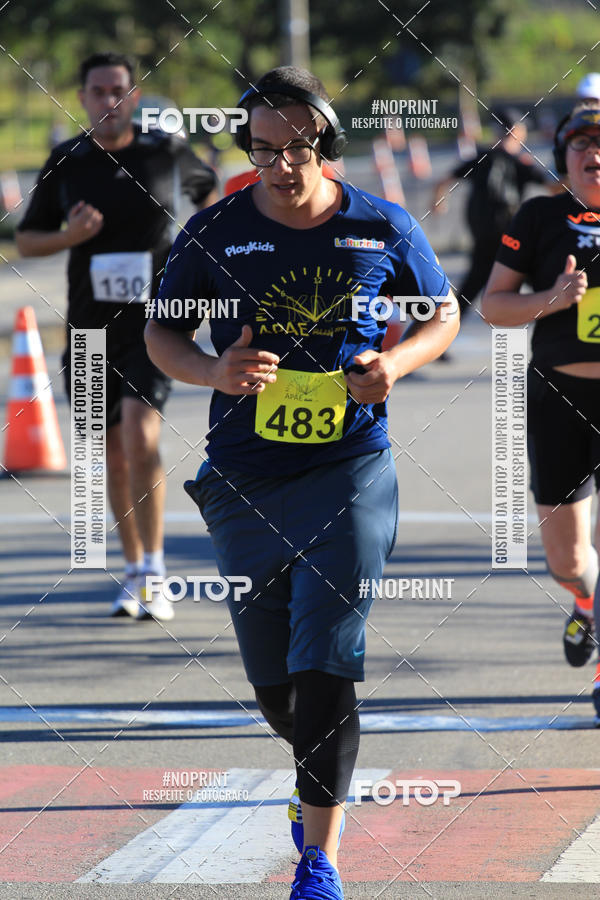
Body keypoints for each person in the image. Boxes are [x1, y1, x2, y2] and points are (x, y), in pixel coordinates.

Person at [145, 65, 458, 898]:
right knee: (278, 689)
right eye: (263, 148)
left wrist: (391, 363)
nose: (281, 163)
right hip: (245, 477)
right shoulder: (213, 233)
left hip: (351, 467)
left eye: (298, 145)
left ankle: (317, 861)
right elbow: (160, 336)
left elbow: (445, 313)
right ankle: (310, 774)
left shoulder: (381, 226)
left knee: (328, 662)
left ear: (327, 142)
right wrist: (216, 371)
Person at [16, 52, 217, 620]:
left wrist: (196, 248)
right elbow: (29, 240)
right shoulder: (67, 160)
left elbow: (212, 197)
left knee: (139, 436)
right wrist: (71, 234)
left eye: (119, 90)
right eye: (98, 91)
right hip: (88, 325)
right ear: (81, 98)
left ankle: (154, 569)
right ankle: (134, 571)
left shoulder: (166, 152)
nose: (109, 100)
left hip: (156, 321)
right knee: (112, 454)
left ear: (133, 96)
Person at [481, 102, 600, 724]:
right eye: (582, 143)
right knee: (569, 560)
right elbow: (491, 306)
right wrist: (551, 301)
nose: (594, 154)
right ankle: (587, 603)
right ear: (565, 156)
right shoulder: (540, 216)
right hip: (558, 395)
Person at [433, 107, 555, 319]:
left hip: (483, 235)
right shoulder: (521, 162)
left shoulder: (482, 158)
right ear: (516, 131)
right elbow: (553, 187)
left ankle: (439, 335)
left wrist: (438, 201)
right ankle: (557, 321)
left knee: (473, 285)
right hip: (509, 234)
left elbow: (444, 180)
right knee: (536, 278)